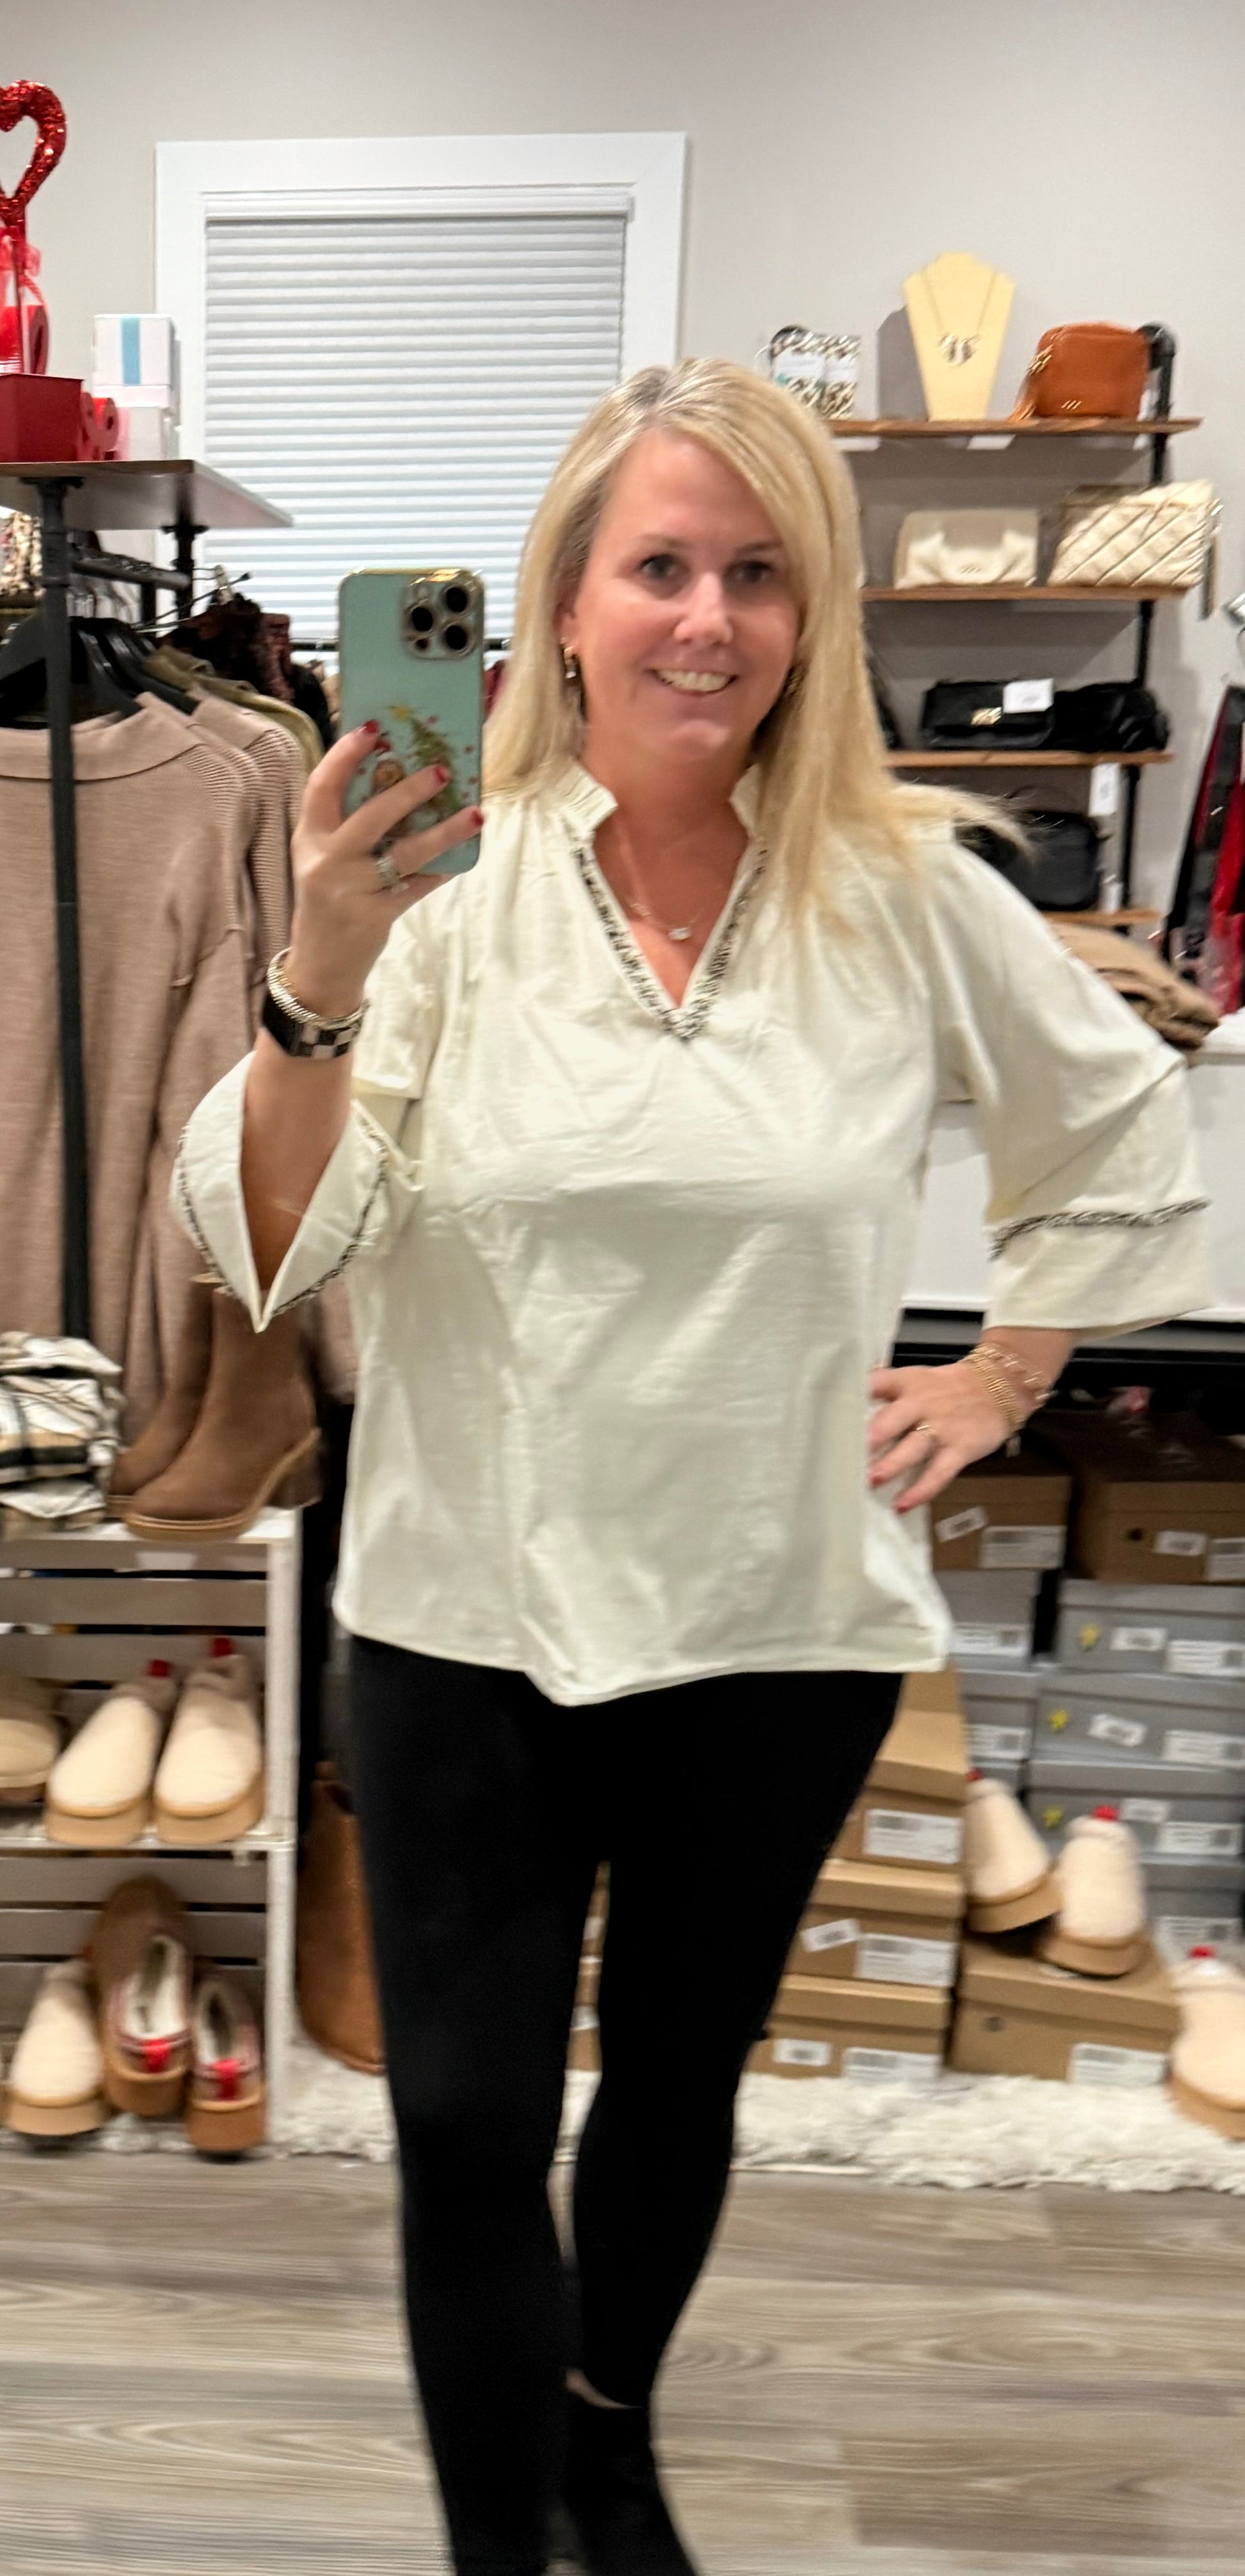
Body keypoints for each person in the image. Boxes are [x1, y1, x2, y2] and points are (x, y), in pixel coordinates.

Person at [177, 360, 1212, 2576]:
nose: (705, 619)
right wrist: (318, 972)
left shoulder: (905, 889)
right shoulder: (434, 899)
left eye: (757, 573)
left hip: (772, 1615)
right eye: (657, 565)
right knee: (467, 2127)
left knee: (673, 2080)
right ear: (562, 604)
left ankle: (605, 2437)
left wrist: (1004, 1369)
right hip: (464, 1614)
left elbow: (1122, 1117)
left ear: (811, 616)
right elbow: (271, 1241)